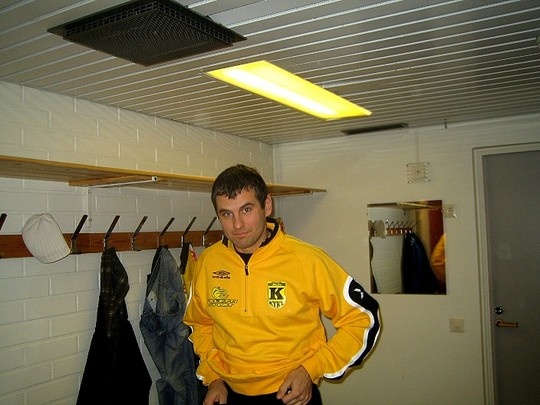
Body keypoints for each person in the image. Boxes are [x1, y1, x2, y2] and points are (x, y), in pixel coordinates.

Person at [184, 164, 381, 405]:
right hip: (229, 394)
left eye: (246, 209)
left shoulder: (307, 259)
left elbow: (363, 318)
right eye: (226, 214)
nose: (237, 224)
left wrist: (311, 368)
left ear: (267, 205)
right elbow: (200, 325)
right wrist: (213, 377)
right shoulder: (207, 262)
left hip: (292, 394)